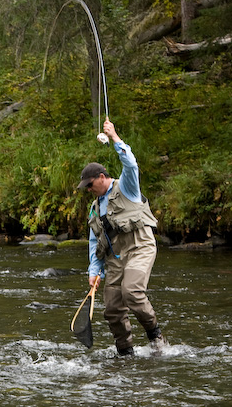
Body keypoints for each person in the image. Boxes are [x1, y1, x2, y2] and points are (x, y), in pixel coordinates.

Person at [77, 118, 166, 357]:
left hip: (139, 247)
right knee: (113, 308)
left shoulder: (127, 186)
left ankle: (155, 335)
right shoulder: (95, 208)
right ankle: (125, 352)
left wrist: (115, 137)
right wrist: (93, 271)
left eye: (90, 184)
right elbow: (95, 241)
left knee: (132, 293)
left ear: (103, 177)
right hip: (115, 257)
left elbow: (131, 164)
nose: (88, 189)